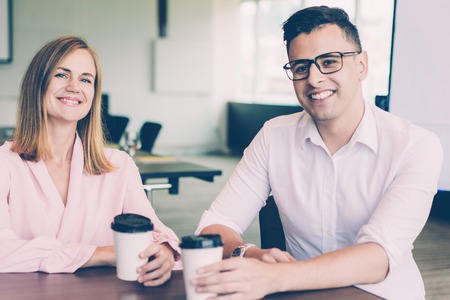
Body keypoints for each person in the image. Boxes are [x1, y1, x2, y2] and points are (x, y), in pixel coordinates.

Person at [194, 6, 443, 299]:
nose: (314, 79)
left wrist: (276, 276)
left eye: (329, 61)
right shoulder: (274, 136)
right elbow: (214, 225)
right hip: (299, 292)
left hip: (380, 294)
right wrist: (248, 254)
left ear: (362, 65)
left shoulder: (416, 145)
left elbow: (378, 256)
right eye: (301, 67)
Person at [0, 35, 181, 286]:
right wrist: (103, 253)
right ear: (37, 83)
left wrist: (165, 251)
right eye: (61, 75)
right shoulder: (5, 165)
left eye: (86, 79)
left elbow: (155, 235)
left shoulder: (119, 165)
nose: (74, 86)